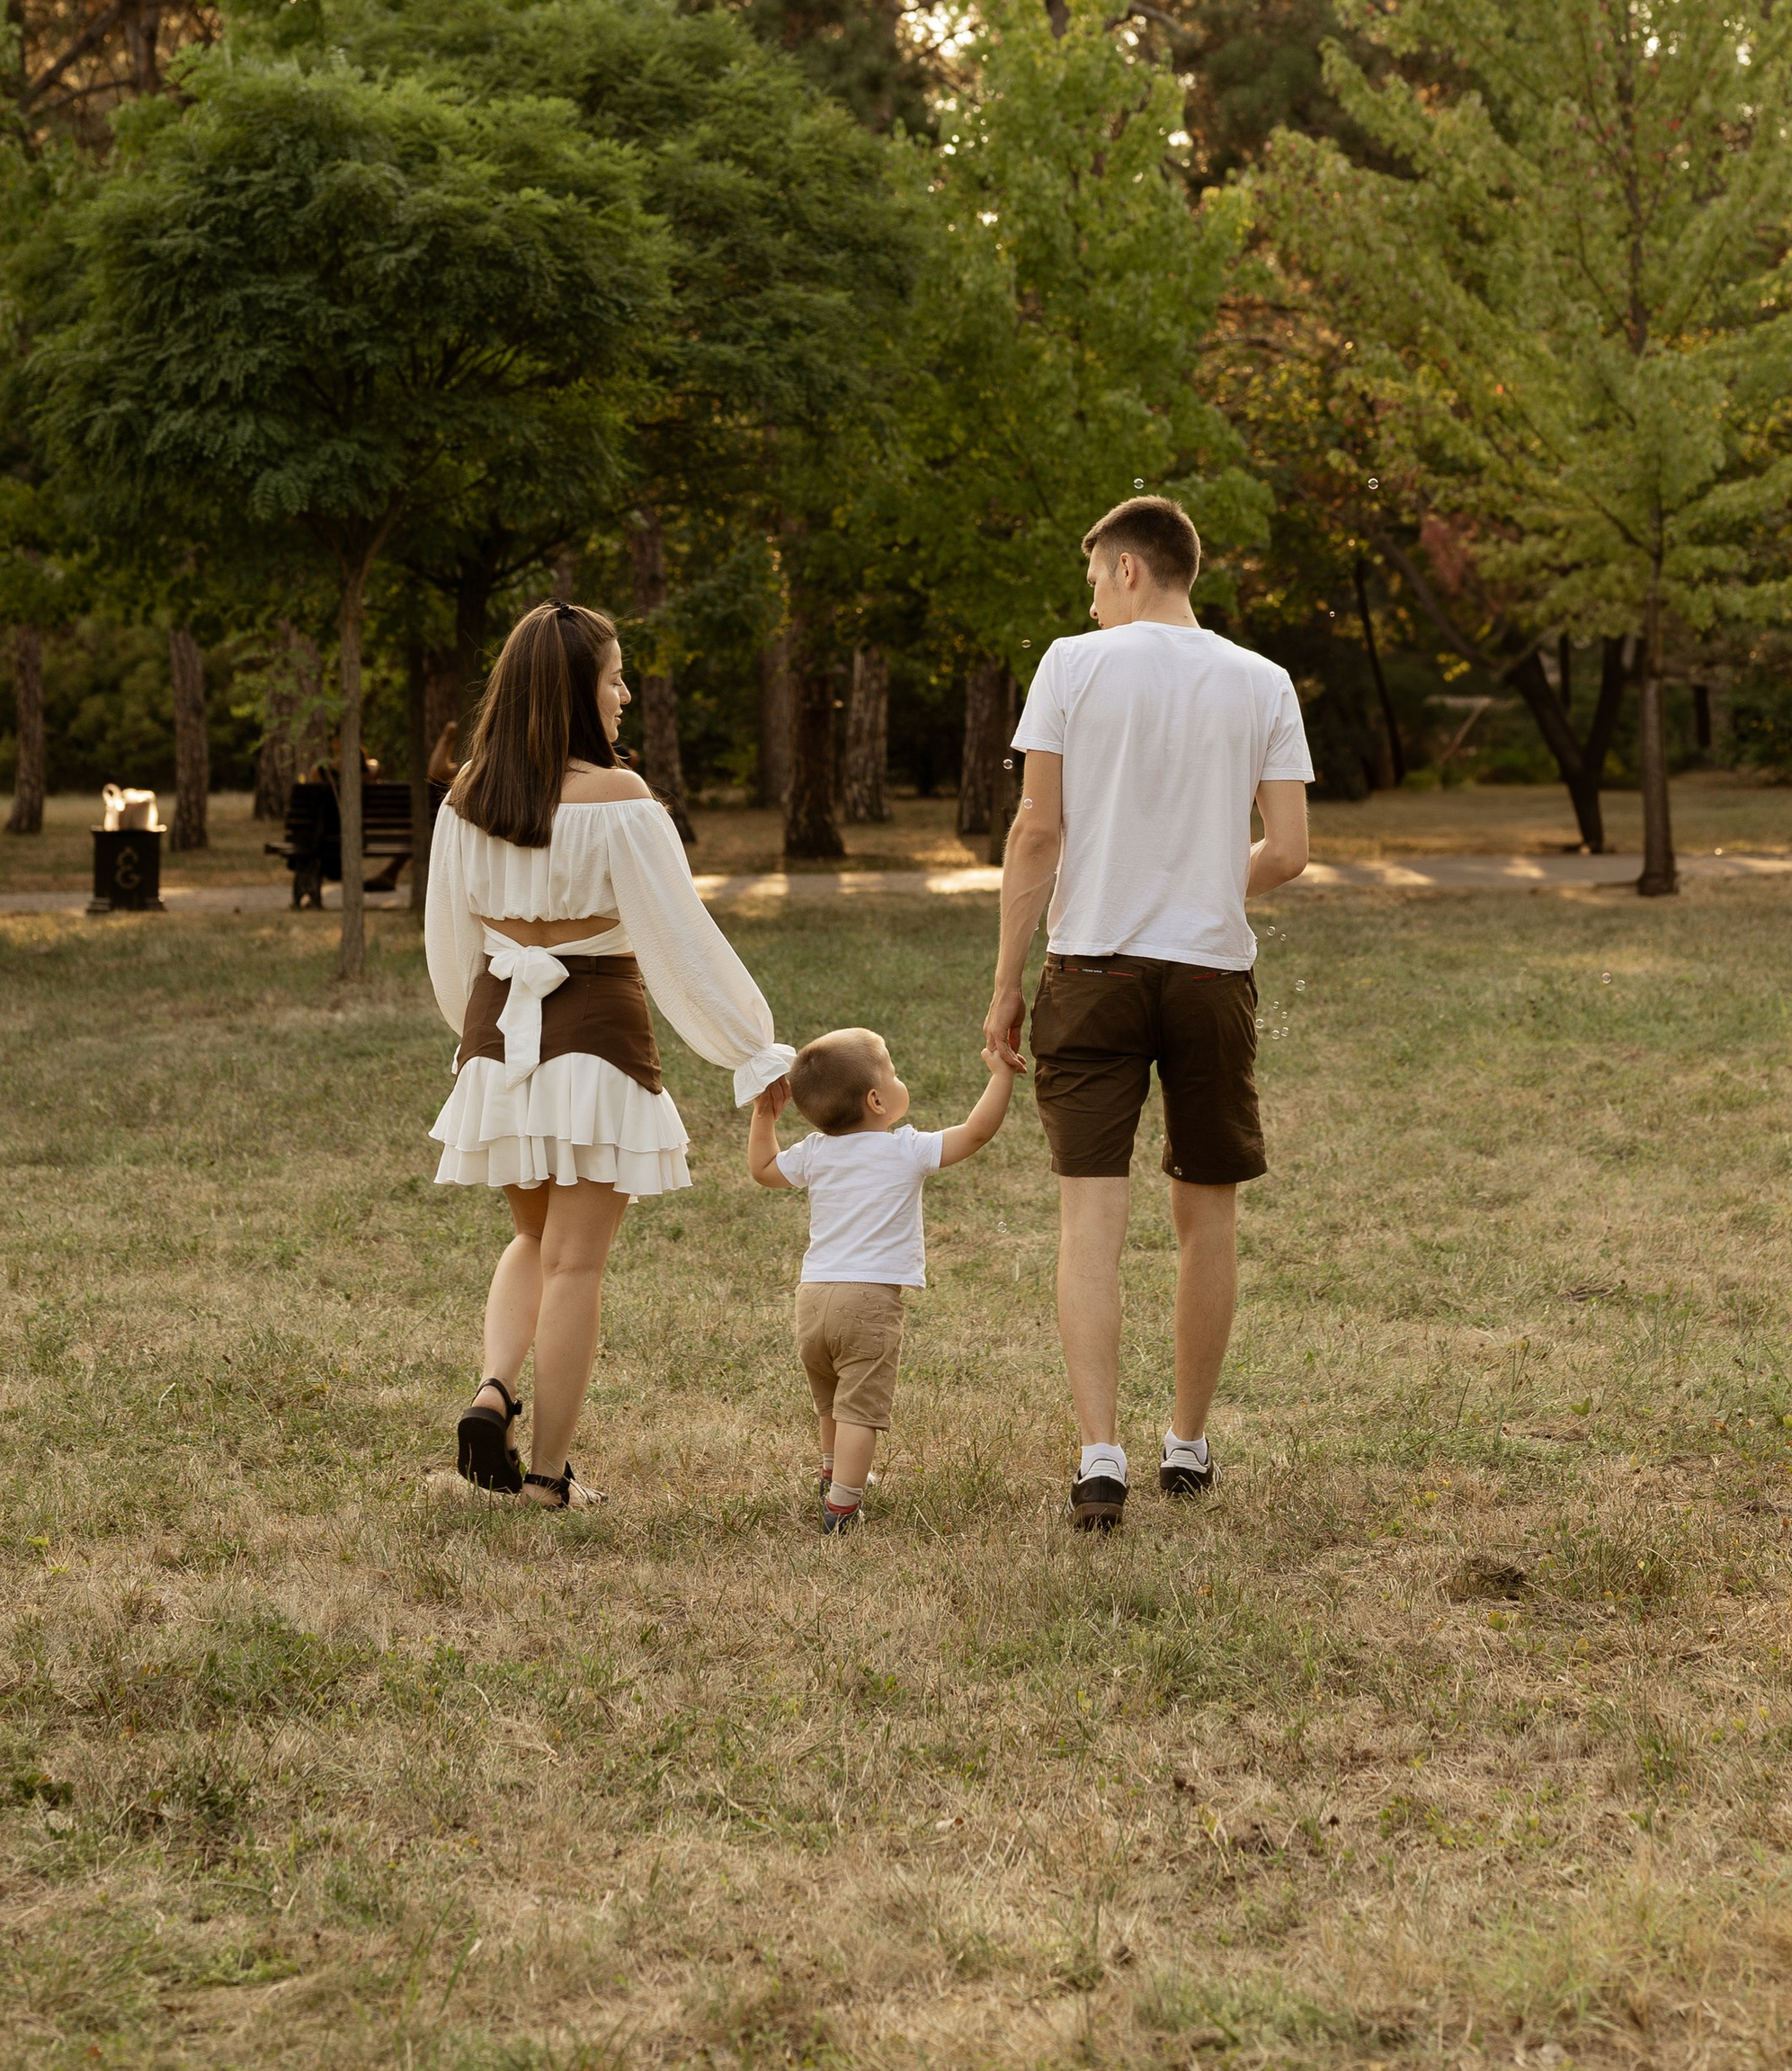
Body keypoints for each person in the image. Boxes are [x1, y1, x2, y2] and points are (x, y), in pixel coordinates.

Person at [985, 495, 1312, 1532]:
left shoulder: (1073, 664)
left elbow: (1037, 830)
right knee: (1204, 1213)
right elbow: (1291, 849)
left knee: (1091, 1216)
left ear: (1127, 569)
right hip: (1212, 974)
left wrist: (1005, 979)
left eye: (1092, 581)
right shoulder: (1262, 680)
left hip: (1090, 971)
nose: (1089, 601)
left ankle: (1098, 1458)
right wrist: (1206, 885)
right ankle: (1187, 1443)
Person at [425, 599, 792, 1510]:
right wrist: (752, 1047)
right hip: (595, 1037)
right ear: (573, 692)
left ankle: (492, 1387)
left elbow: (447, 945)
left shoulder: (467, 797)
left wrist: (470, 1046)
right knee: (575, 1263)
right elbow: (685, 942)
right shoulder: (622, 802)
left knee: (531, 1237)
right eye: (614, 675)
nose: (624, 692)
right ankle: (547, 1477)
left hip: (496, 1036)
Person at [748, 1026, 1015, 1532]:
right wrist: (1001, 1077)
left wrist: (764, 1115)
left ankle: (832, 1475)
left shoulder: (813, 1152)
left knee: (830, 1399)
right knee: (860, 1411)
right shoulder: (905, 1149)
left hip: (812, 1298)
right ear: (876, 1100)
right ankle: (843, 1506)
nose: (897, 1078)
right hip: (868, 1301)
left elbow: (762, 1168)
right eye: (892, 1071)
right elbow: (976, 1131)